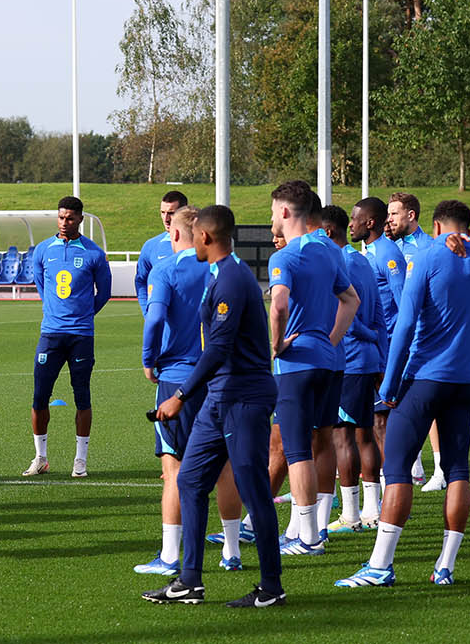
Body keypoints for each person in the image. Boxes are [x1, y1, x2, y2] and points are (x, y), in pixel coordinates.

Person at [336, 200, 470, 588]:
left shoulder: (426, 257)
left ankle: (380, 565)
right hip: (466, 379)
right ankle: (445, 565)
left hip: (424, 376)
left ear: (436, 225)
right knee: (458, 469)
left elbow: (405, 326)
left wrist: (390, 384)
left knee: (397, 470)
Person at [143, 205, 286, 608]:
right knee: (190, 480)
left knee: (254, 489)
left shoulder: (232, 279)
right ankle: (190, 580)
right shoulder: (221, 274)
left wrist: (180, 395)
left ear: (205, 237)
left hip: (243, 397)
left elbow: (219, 348)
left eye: (194, 236)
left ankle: (272, 587)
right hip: (220, 398)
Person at [135, 207, 246, 575]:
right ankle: (232, 550)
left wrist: (148, 358)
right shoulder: (225, 267)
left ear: (177, 235)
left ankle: (170, 556)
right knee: (226, 465)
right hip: (220, 378)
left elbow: (153, 318)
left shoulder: (166, 269)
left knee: (175, 468)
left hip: (178, 379)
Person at [265, 183, 359, 557]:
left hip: (297, 363)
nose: (272, 217)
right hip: (330, 362)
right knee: (322, 441)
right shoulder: (329, 250)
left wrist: (277, 344)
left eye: (274, 210)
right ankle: (317, 526)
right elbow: (351, 299)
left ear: (286, 212)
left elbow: (279, 304)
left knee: (295, 449)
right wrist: (332, 339)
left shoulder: (285, 257)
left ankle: (307, 537)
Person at [23, 196, 112, 478]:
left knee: (82, 397)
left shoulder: (94, 253)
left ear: (80, 219)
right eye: (61, 217)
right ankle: (40, 458)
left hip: (81, 335)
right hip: (50, 334)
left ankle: (80, 460)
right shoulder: (43, 250)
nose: (64, 223)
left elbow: (105, 293)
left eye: (70, 218)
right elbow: (41, 284)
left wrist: (83, 314)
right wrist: (55, 312)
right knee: (39, 397)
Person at [319, 206, 384, 537]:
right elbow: (378, 312)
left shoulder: (339, 261)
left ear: (328, 232)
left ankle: (351, 513)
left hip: (349, 358)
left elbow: (349, 312)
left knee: (341, 436)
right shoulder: (362, 260)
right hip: (367, 358)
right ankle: (372, 509)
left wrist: (361, 336)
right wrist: (379, 351)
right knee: (364, 433)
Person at [350, 196, 405, 524]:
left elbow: (402, 305)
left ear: (370, 222)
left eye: (356, 219)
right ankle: (380, 498)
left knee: (381, 425)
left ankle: (393, 494)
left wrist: (392, 353)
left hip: (383, 353)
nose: (351, 224)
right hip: (372, 349)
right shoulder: (366, 254)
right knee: (367, 426)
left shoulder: (387, 253)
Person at [385, 192, 437, 485]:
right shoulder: (387, 248)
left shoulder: (427, 248)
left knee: (422, 402)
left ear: (411, 215)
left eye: (394, 214)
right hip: (387, 336)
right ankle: (413, 466)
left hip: (416, 336)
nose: (389, 219)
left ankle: (440, 468)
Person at [135, 190, 189, 313]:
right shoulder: (151, 246)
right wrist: (147, 311)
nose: (166, 219)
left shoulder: (201, 244)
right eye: (162, 212)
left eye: (171, 213)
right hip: (162, 326)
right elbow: (140, 280)